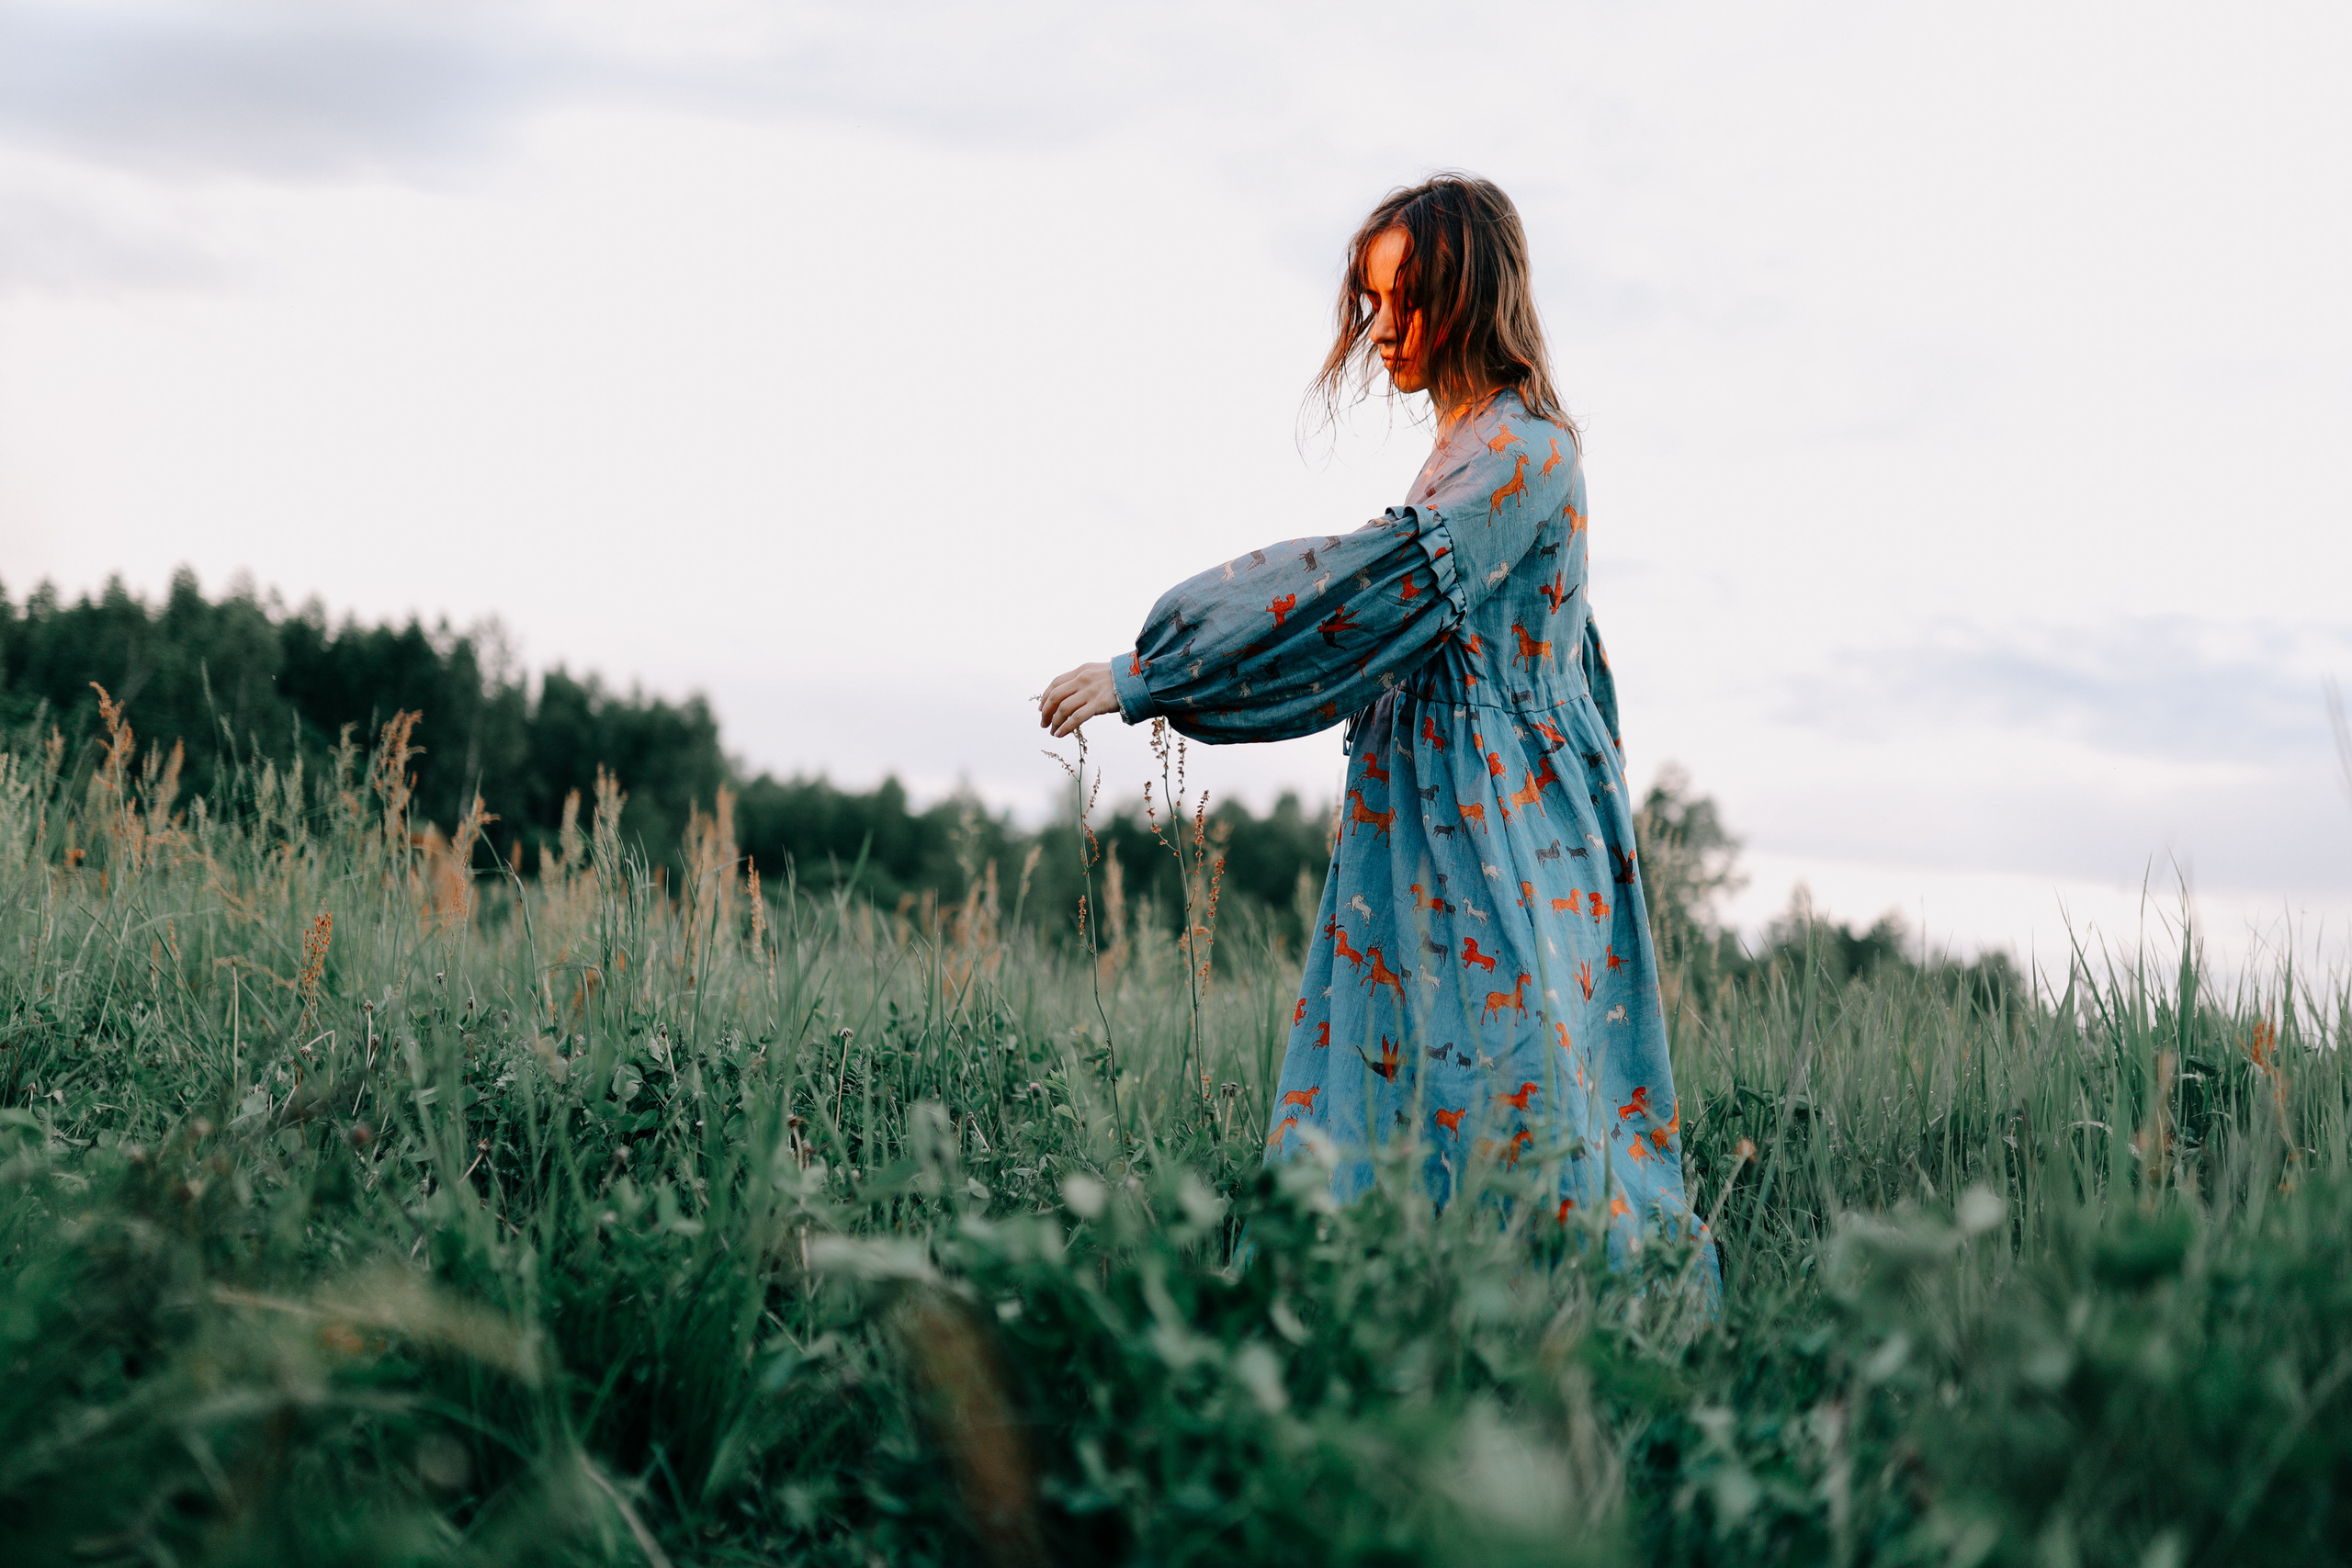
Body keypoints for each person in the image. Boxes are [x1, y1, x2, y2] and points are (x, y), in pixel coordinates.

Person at [1038, 174, 1711, 1268]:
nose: (1384, 329)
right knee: (1404, 1078)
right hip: (1435, 808)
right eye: (1373, 301)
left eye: (1410, 298)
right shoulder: (1467, 445)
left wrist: (1154, 671)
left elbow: (1353, 594)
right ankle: (1396, 1325)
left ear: (1473, 295)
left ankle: (1555, 1341)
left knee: (1517, 1084)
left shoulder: (1525, 451)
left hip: (1499, 824)